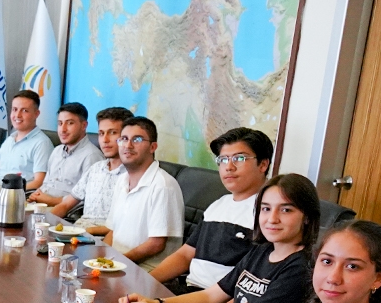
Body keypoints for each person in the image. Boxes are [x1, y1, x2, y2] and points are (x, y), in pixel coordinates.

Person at [117, 174, 319, 303]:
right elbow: (211, 296)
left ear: (307, 217)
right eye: (266, 209)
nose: (272, 219)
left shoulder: (300, 268)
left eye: (286, 210)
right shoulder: (262, 251)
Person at [150, 127, 273, 289]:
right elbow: (185, 255)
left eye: (239, 158)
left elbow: (255, 283)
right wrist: (145, 282)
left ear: (263, 164)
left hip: (219, 298)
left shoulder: (269, 213)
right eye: (223, 159)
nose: (229, 167)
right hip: (189, 289)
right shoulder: (219, 204)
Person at [92, 116, 184, 268]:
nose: (128, 145)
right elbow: (113, 232)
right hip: (118, 264)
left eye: (137, 139)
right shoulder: (122, 180)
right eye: (124, 139)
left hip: (145, 271)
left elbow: (156, 244)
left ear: (153, 147)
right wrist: (100, 259)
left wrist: (115, 263)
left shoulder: (163, 185)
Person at [29, 102, 102, 218]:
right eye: (60, 123)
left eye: (70, 123)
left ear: (84, 125)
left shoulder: (92, 156)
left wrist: (51, 200)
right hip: (39, 206)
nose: (63, 129)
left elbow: (87, 200)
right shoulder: (57, 151)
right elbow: (46, 184)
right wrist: (36, 195)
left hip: (64, 214)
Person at [0, 89, 52, 190]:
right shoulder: (10, 139)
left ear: (36, 114)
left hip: (17, 195)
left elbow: (39, 182)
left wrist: (9, 191)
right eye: (15, 109)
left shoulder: (42, 143)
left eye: (24, 110)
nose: (17, 115)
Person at [77, 106, 130, 227]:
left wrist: (87, 232)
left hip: (103, 235)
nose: (105, 140)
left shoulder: (133, 175)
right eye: (101, 133)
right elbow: (66, 204)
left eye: (112, 133)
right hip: (79, 230)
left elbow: (124, 227)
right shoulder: (95, 168)